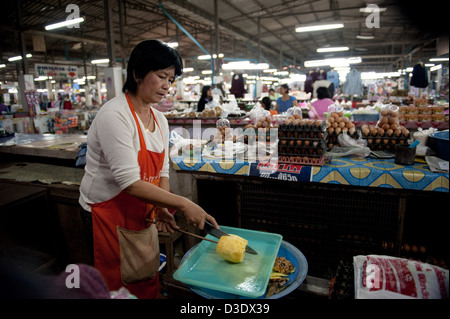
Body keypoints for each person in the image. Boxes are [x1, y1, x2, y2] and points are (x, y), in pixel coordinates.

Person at [79, 39, 219, 299]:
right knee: (118, 287)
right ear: (137, 74)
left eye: (172, 78)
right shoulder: (115, 115)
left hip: (142, 211)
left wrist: (161, 208)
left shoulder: (160, 119)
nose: (168, 85)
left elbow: (162, 171)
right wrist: (185, 204)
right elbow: (130, 182)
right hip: (106, 215)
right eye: (162, 76)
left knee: (144, 276)